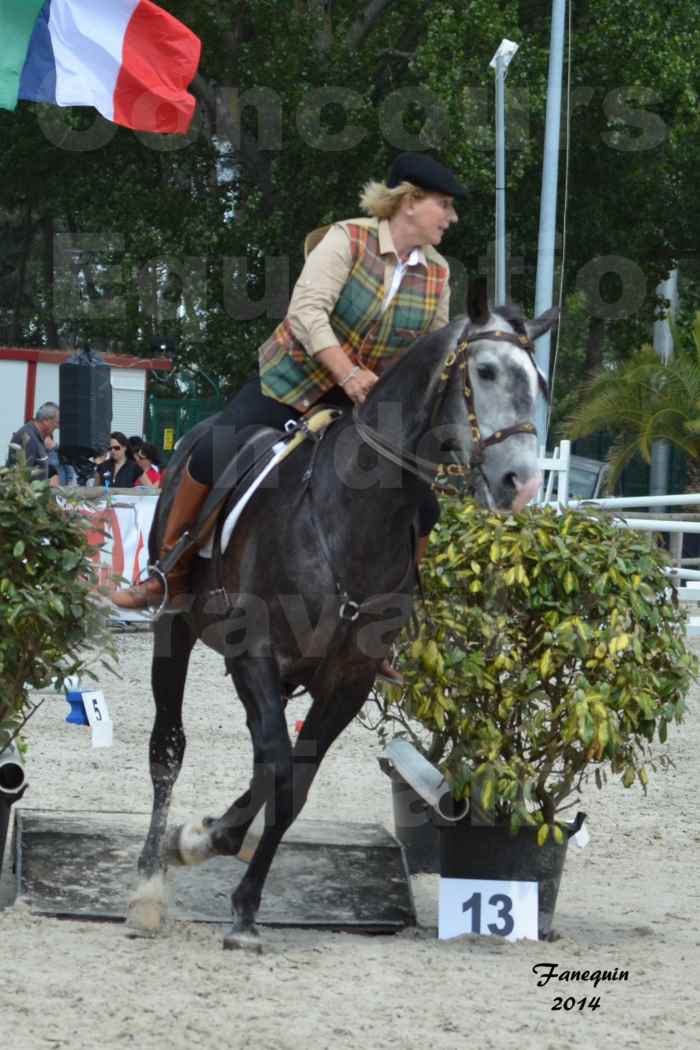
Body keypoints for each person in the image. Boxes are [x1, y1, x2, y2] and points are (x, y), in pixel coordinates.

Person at [112, 151, 467, 682]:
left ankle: (387, 624)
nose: (451, 217)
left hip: (362, 409)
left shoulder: (438, 275)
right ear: (410, 201)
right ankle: (169, 572)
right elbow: (306, 313)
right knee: (214, 449)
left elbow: (425, 358)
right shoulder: (345, 241)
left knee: (423, 507)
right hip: (293, 384)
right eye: (444, 204)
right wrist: (347, 374)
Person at [6, 402, 60, 481]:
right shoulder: (29, 438)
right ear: (46, 421)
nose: (57, 426)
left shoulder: (37, 436)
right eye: (56, 422)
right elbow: (21, 477)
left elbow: (37, 466)